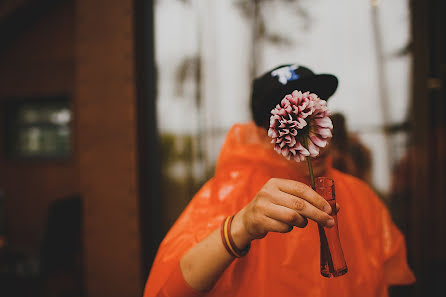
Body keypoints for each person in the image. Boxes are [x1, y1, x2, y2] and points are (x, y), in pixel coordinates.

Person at [143, 64, 415, 297]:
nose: (313, 143)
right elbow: (170, 288)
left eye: (315, 118)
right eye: (294, 126)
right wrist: (242, 226)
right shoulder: (227, 194)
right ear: (265, 135)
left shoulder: (358, 194)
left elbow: (389, 278)